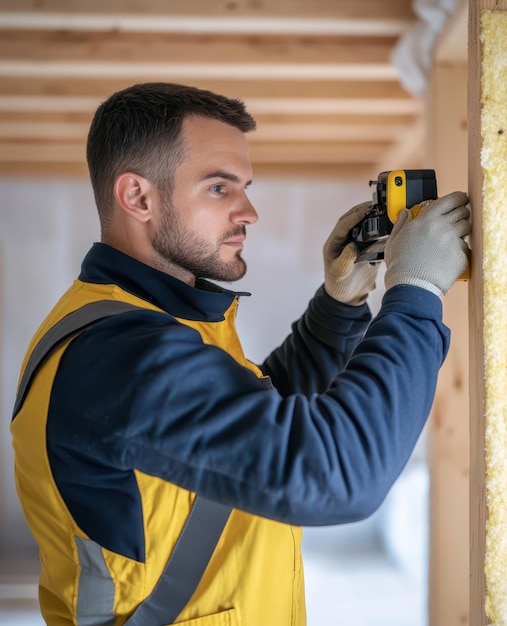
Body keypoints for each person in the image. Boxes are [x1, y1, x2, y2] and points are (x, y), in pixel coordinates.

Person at [11, 82, 470, 626]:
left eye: (245, 187)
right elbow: (337, 475)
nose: (249, 211)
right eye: (218, 188)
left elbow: (255, 426)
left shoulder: (147, 322)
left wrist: (337, 306)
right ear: (137, 197)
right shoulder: (119, 355)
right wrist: (414, 291)